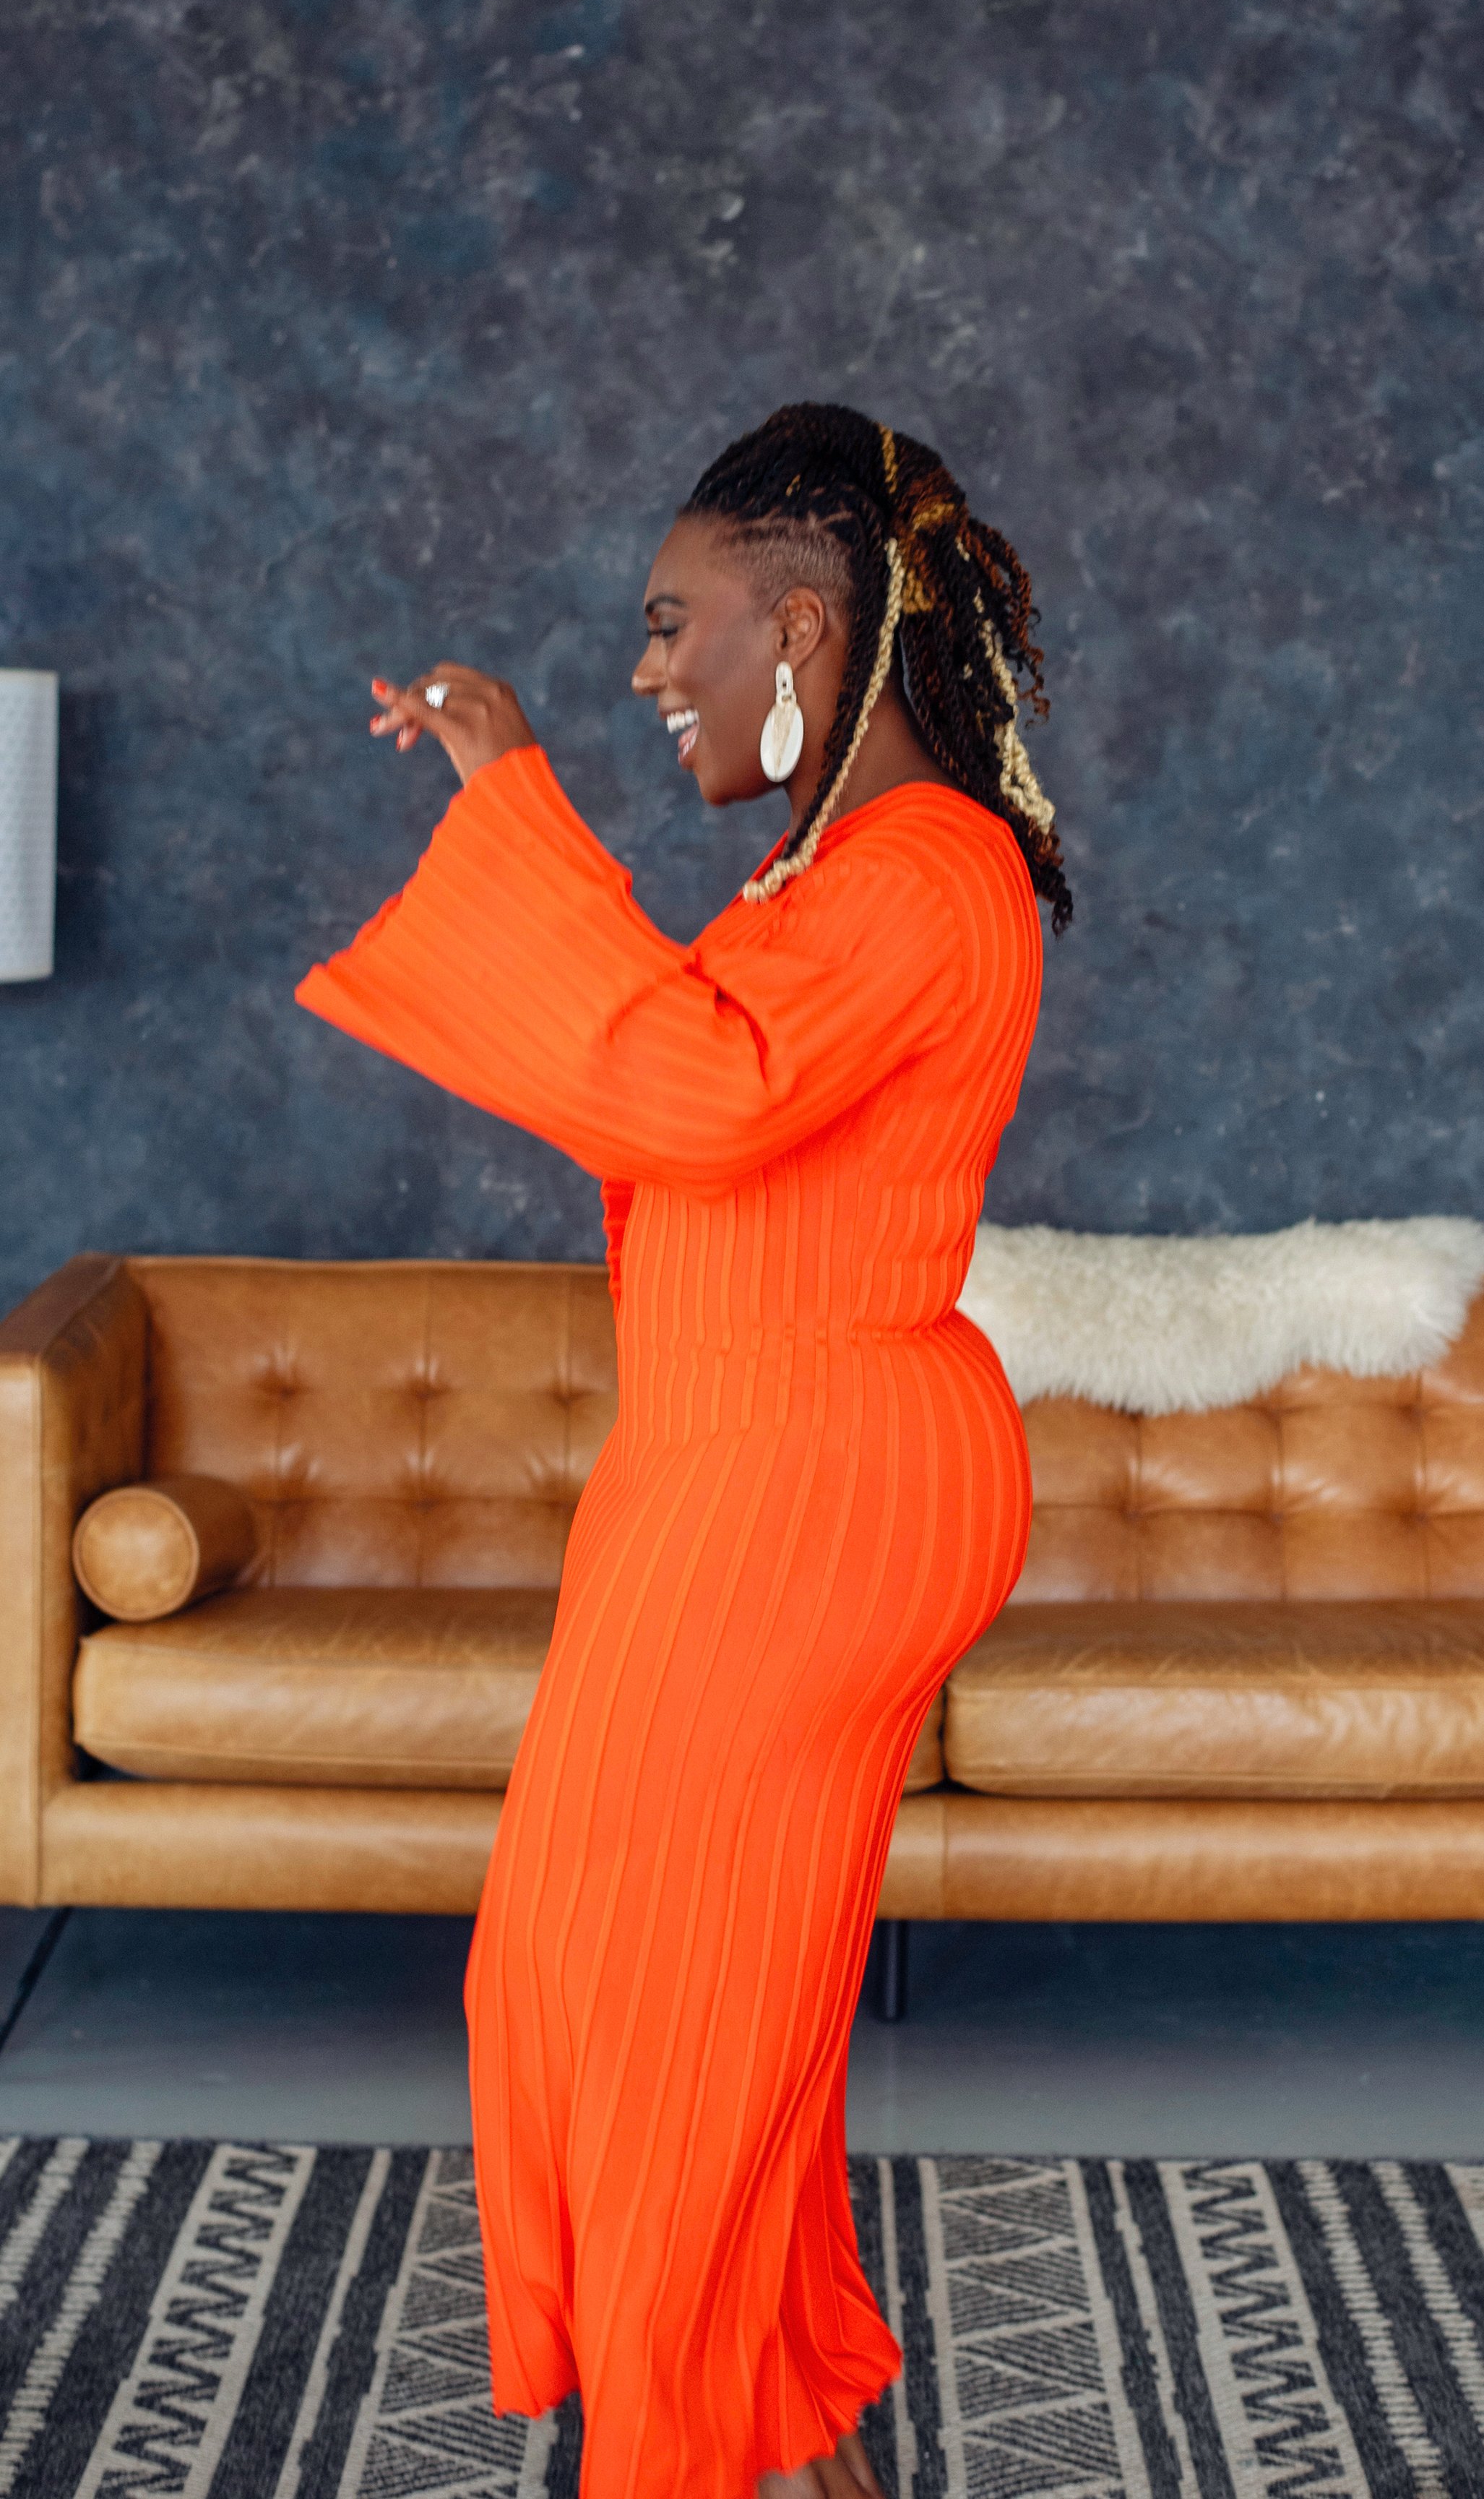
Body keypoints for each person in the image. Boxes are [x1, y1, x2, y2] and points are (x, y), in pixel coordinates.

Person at [295, 403, 1070, 2499]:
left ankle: (707, 2453)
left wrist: (512, 804)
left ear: (799, 625)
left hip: (804, 1484)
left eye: (670, 623)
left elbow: (698, 1092)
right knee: (642, 1992)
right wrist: (510, 804)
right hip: (739, 1459)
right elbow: (692, 1080)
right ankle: (768, 2437)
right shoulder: (842, 869)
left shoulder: (928, 867)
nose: (649, 669)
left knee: (661, 2007)